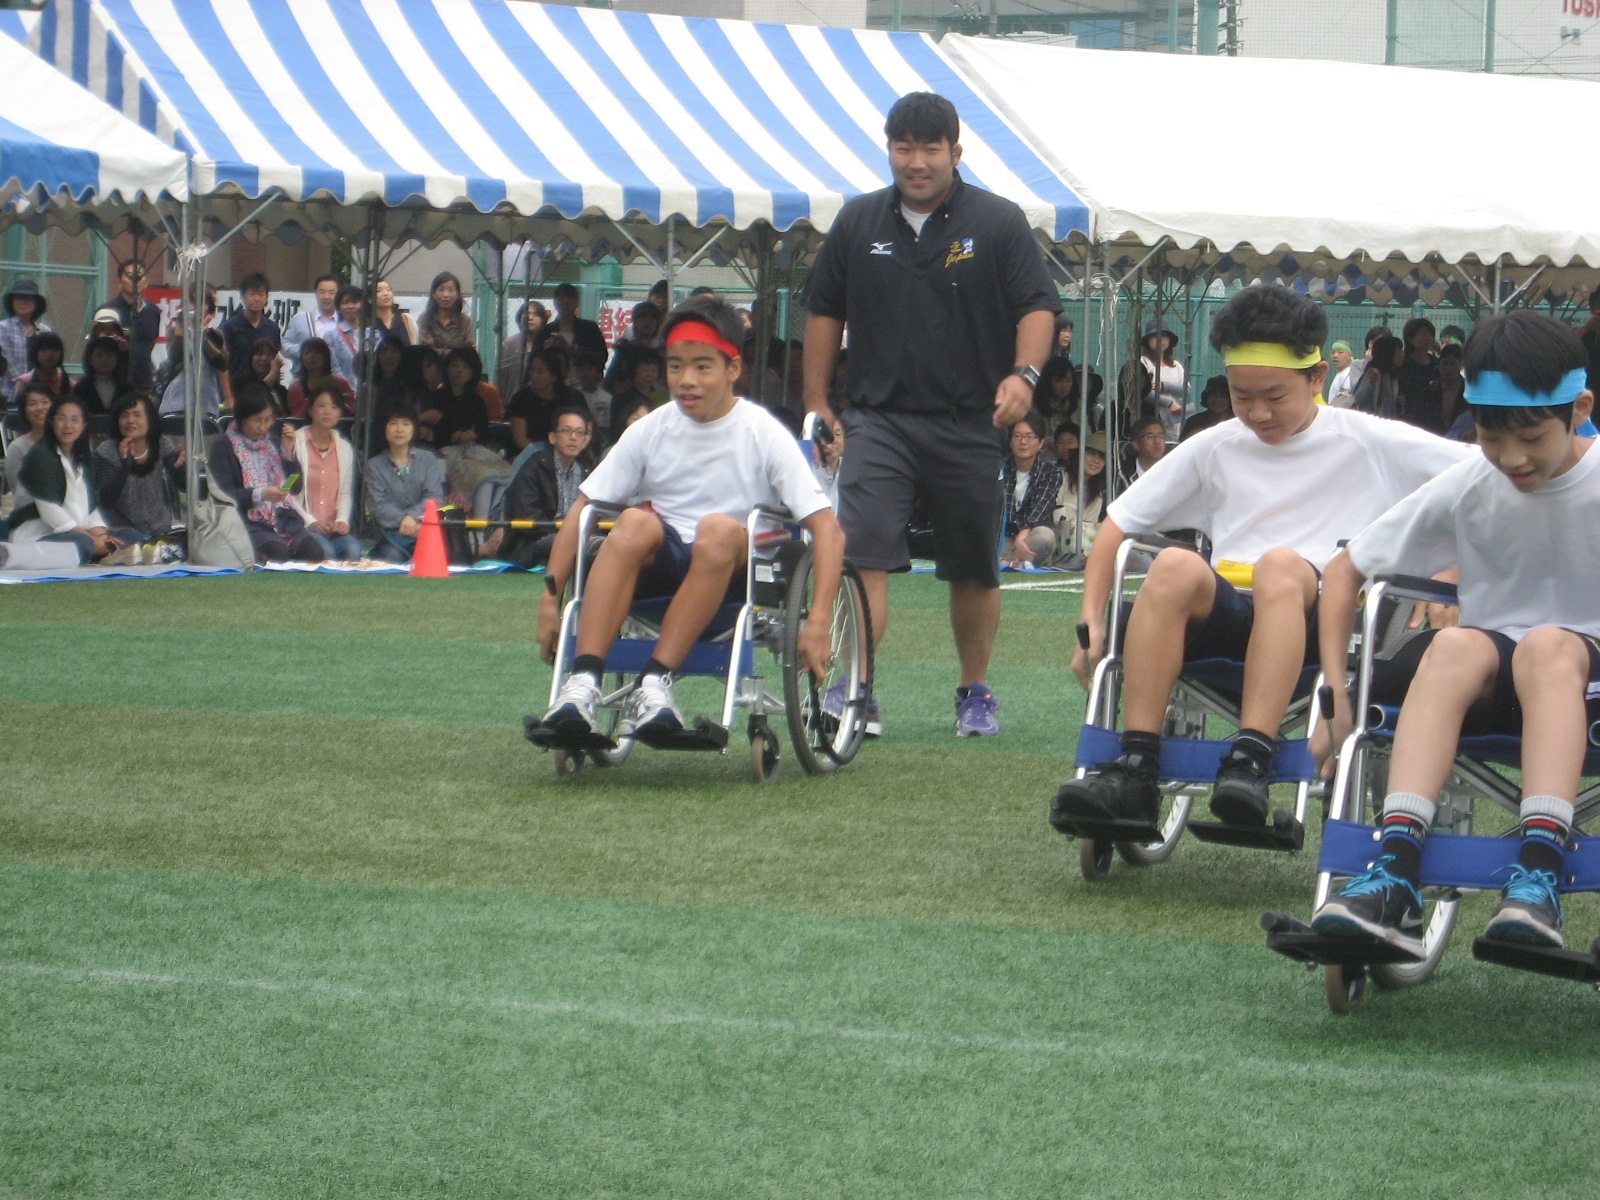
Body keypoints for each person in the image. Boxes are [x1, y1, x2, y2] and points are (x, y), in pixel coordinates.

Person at [1052, 284, 1472, 835]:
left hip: (1325, 620)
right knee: (1173, 565)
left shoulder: (1369, 439)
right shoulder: (1217, 444)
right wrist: (1090, 615)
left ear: (1316, 378)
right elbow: (1118, 525)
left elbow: (1480, 479)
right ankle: (1135, 766)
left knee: (1281, 565)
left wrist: (1451, 568)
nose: (1256, 412)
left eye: (1274, 395)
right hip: (1229, 615)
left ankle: (1251, 757)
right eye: (1241, 395)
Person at [1310, 311, 1600, 954]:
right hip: (1497, 678)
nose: (1511, 457)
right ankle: (1394, 870)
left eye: (1531, 436)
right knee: (1453, 645)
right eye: (1492, 437)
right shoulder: (1473, 479)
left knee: (1549, 645)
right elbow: (1346, 569)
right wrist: (1335, 695)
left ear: (1580, 409)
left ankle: (1538, 878)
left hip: (1587, 679)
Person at [801, 90, 1059, 739]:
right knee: (864, 551)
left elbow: (1037, 307)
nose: (916, 162)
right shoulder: (858, 221)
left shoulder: (998, 221)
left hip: (971, 421)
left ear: (955, 152)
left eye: (930, 149)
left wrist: (1024, 376)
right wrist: (816, 402)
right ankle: (857, 689)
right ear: (889, 150)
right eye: (903, 148)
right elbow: (825, 313)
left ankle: (975, 690)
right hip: (877, 419)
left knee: (973, 565)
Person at [536, 294, 841, 741]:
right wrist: (549, 600)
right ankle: (582, 684)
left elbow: (827, 530)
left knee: (717, 529)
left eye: (702, 366)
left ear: (732, 368)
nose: (686, 380)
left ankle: (654, 684)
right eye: (675, 366)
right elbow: (583, 509)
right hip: (662, 566)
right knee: (632, 522)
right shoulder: (650, 428)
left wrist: (819, 620)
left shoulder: (763, 432)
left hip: (734, 572)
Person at [206, 385, 320, 563]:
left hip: (284, 519)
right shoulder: (224, 446)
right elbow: (223, 494)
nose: (262, 427)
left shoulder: (273, 442)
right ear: (242, 417)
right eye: (257, 420)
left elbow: (295, 487)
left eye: (268, 420)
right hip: (248, 522)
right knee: (278, 554)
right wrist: (259, 494)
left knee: (314, 553)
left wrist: (289, 453)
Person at [10, 397, 123, 562]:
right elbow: (49, 511)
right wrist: (92, 540)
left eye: (74, 420)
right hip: (37, 534)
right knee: (83, 544)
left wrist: (102, 537)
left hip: (73, 534)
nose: (67, 426)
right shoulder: (40, 456)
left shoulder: (83, 459)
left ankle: (94, 551)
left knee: (125, 539)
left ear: (84, 425)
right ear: (51, 422)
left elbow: (91, 509)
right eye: (61, 418)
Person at [498, 406, 594, 568]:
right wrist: (567, 531)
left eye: (579, 433)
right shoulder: (533, 468)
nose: (573, 437)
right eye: (566, 430)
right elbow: (528, 518)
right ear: (552, 437)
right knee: (564, 542)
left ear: (585, 441)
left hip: (575, 537)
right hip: (531, 545)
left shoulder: (587, 470)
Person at [93, 393, 184, 541]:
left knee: (176, 545)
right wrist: (125, 466)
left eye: (137, 415)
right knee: (144, 547)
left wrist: (182, 469)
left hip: (160, 524)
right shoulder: (106, 451)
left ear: (150, 419)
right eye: (124, 415)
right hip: (120, 528)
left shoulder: (162, 443)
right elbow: (106, 501)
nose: (130, 420)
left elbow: (183, 485)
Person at [365, 403, 446, 563]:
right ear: (384, 428)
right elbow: (379, 505)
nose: (399, 429)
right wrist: (405, 521)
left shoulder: (427, 459)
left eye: (406, 424)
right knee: (391, 559)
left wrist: (413, 517)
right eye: (393, 423)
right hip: (392, 534)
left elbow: (434, 497)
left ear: (414, 428)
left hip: (425, 529)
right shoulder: (374, 465)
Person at [290, 385, 362, 560]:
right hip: (303, 526)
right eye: (321, 405)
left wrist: (342, 520)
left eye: (334, 407)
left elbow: (345, 493)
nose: (327, 411)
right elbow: (287, 492)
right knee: (325, 553)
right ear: (310, 410)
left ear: (340, 413)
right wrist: (310, 522)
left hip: (331, 529)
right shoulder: (296, 442)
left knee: (353, 550)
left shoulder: (344, 448)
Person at [1001, 411, 1064, 569]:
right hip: (1002, 537)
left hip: (1030, 537)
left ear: (1041, 443)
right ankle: (1015, 563)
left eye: (1029, 436)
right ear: (1010, 441)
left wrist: (1021, 537)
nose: (1023, 442)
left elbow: (1039, 510)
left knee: (1045, 537)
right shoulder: (1000, 469)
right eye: (1017, 436)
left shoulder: (1051, 472)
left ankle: (1006, 563)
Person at [1120, 319, 1188, 442]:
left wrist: (1163, 386)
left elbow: (1186, 389)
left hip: (1174, 418)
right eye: (1156, 336)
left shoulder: (1175, 365)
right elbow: (1141, 391)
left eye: (1165, 336)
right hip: (1149, 416)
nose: (1161, 340)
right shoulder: (1142, 363)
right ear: (1147, 340)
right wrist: (1169, 403)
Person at [1052, 429, 1108, 569]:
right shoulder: (1061, 478)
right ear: (1080, 454)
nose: (1096, 461)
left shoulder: (1098, 495)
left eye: (1101, 457)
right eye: (1092, 454)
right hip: (1054, 544)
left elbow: (1090, 529)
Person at [106, 260, 161, 390]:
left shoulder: (153, 311)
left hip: (144, 381)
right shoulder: (108, 310)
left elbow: (152, 341)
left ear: (146, 282)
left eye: (139, 277)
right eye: (130, 276)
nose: (135, 281)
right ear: (119, 282)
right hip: (114, 382)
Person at [538, 283, 607, 381]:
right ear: (554, 303)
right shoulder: (545, 331)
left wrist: (571, 349)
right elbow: (537, 359)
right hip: (554, 383)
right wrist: (547, 350)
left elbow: (601, 356)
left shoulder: (589, 328)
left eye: (570, 299)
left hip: (584, 382)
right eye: (561, 299)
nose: (565, 302)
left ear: (577, 303)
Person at [426, 345, 492, 447]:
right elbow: (430, 432)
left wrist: (473, 434)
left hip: (469, 450)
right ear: (446, 369)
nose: (459, 370)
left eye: (465, 367)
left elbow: (484, 431)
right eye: (454, 365)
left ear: (472, 373)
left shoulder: (477, 400)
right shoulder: (435, 398)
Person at [221, 272, 281, 382]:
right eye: (252, 294)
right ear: (242, 297)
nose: (256, 299)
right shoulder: (229, 327)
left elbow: (275, 361)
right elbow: (222, 364)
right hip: (237, 387)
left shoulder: (272, 328)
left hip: (265, 387)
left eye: (261, 294)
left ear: (267, 297)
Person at [282, 274, 344, 380]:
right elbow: (284, 346)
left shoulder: (344, 323)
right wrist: (305, 350)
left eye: (331, 292)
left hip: (334, 381)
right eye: (322, 292)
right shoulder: (299, 319)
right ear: (315, 293)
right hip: (303, 380)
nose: (326, 296)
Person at [4, 383, 53, 512]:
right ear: (24, 411)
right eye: (32, 404)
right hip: (32, 514)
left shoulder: (68, 443)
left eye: (45, 402)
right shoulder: (17, 448)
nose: (40, 408)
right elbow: (20, 494)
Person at [0, 277, 49, 399]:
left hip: (39, 397)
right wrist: (25, 382)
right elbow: (7, 359)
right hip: (8, 395)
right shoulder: (3, 328)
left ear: (36, 303)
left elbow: (49, 362)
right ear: (12, 302)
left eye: (28, 298)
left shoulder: (45, 331)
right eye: (19, 298)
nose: (23, 301)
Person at [285, 337, 354, 417]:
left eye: (317, 353)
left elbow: (352, 409)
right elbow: (296, 418)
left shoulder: (340, 383)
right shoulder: (295, 387)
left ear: (325, 357)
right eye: (307, 353)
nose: (311, 356)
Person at [495, 299, 548, 398]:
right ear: (519, 318)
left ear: (543, 320)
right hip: (512, 400)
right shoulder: (508, 344)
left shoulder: (547, 344)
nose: (530, 318)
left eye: (536, 314)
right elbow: (500, 377)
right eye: (526, 314)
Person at [71, 336, 134, 417]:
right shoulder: (81, 389)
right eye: (99, 355)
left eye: (109, 355)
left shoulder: (126, 388)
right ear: (90, 360)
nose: (104, 359)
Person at [11, 331, 71, 408]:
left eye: (54, 349)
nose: (49, 353)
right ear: (35, 353)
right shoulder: (24, 382)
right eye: (43, 349)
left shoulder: (68, 383)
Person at [1395, 317, 1438, 424]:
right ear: (1410, 338)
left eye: (1431, 334)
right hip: (1405, 417)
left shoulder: (1437, 364)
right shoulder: (1402, 364)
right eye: (1423, 334)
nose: (1428, 338)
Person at [417, 271, 474, 352]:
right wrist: (456, 352)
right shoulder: (425, 319)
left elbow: (469, 351)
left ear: (457, 294)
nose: (446, 295)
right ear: (433, 294)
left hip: (457, 361)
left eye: (451, 290)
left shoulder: (465, 321)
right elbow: (425, 350)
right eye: (441, 290)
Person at [1351, 334, 1403, 418]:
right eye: (1399, 351)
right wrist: (1370, 382)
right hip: (1372, 422)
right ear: (1388, 353)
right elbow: (1359, 399)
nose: (1402, 355)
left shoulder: (1393, 375)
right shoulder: (1373, 374)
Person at [232, 337, 288, 415]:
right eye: (259, 354)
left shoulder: (281, 390)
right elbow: (259, 393)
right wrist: (274, 370)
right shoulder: (241, 383)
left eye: (268, 354)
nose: (264, 358)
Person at [1119, 410, 1167, 490]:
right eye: (1149, 436)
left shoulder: (1173, 469)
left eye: (1160, 435)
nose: (1157, 441)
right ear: (1136, 444)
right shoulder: (1122, 474)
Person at [1179, 375, 1233, 441]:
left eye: (1223, 396)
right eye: (1213, 395)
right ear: (1206, 397)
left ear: (1231, 399)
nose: (1217, 400)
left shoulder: (1239, 422)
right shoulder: (1194, 421)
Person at [574, 351, 611, 438]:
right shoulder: (573, 395)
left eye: (589, 369)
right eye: (581, 370)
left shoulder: (607, 398)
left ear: (598, 373)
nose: (585, 373)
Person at [370, 279, 415, 347]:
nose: (385, 294)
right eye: (379, 291)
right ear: (370, 299)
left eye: (388, 290)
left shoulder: (406, 319)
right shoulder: (368, 323)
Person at [1325, 340, 1356, 406]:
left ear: (1350, 356)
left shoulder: (1348, 375)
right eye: (1333, 352)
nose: (1335, 355)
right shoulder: (1343, 374)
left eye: (1340, 352)